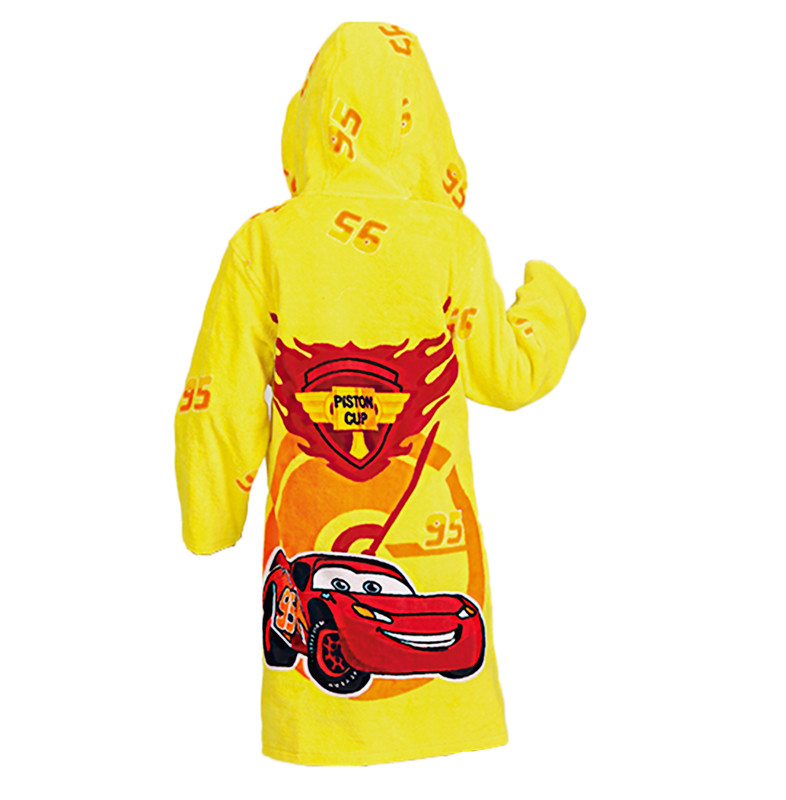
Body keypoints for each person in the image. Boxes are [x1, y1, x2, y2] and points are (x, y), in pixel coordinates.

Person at [175, 21, 586, 766]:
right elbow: (511, 375)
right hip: (439, 559)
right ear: (422, 119)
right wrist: (549, 301)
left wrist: (210, 520)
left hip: (308, 576)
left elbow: (216, 402)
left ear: (309, 117)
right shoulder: (451, 243)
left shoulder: (263, 245)